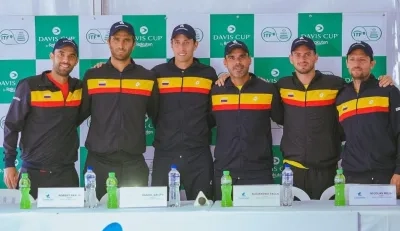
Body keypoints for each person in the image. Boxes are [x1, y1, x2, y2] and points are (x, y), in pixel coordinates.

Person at [215, 36, 393, 200]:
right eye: (297, 55)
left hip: (328, 170)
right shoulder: (280, 87)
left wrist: (385, 80)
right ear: (291, 58)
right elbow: (277, 114)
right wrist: (227, 77)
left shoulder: (336, 85)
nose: (302, 59)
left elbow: (359, 90)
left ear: (316, 57)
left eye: (307, 54)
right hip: (292, 171)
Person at [78, 21, 159, 200]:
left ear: (134, 43)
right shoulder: (93, 75)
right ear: (109, 42)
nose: (121, 45)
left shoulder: (147, 77)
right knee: (94, 221)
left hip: (133, 164)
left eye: (126, 40)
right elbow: (76, 114)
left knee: (136, 222)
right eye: (116, 39)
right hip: (98, 163)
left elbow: (159, 116)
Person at [3, 38, 81, 199]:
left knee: (70, 223)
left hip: (67, 173)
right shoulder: (29, 85)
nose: (66, 60)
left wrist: (101, 67)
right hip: (33, 173)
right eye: (61, 54)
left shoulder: (79, 88)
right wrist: (9, 164)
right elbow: (11, 125)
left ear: (76, 61)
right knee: (28, 224)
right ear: (52, 56)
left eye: (71, 56)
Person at [150, 24, 217, 200]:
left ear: (195, 45)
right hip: (165, 152)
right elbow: (151, 109)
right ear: (171, 44)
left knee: (203, 208)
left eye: (186, 42)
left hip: (198, 153)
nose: (182, 47)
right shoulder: (158, 73)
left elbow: (213, 113)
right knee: (159, 209)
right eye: (177, 42)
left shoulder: (208, 74)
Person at [211, 40, 283, 200]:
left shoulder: (267, 89)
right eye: (232, 57)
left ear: (249, 59)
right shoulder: (215, 91)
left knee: (260, 224)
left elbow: (284, 119)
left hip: (259, 172)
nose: (237, 62)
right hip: (225, 172)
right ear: (225, 62)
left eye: (242, 57)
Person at [336, 41, 400, 194]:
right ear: (346, 63)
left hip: (384, 175)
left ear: (372, 63)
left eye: (362, 59)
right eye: (352, 59)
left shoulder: (388, 90)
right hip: (351, 175)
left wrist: (399, 171)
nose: (357, 64)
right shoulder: (341, 96)